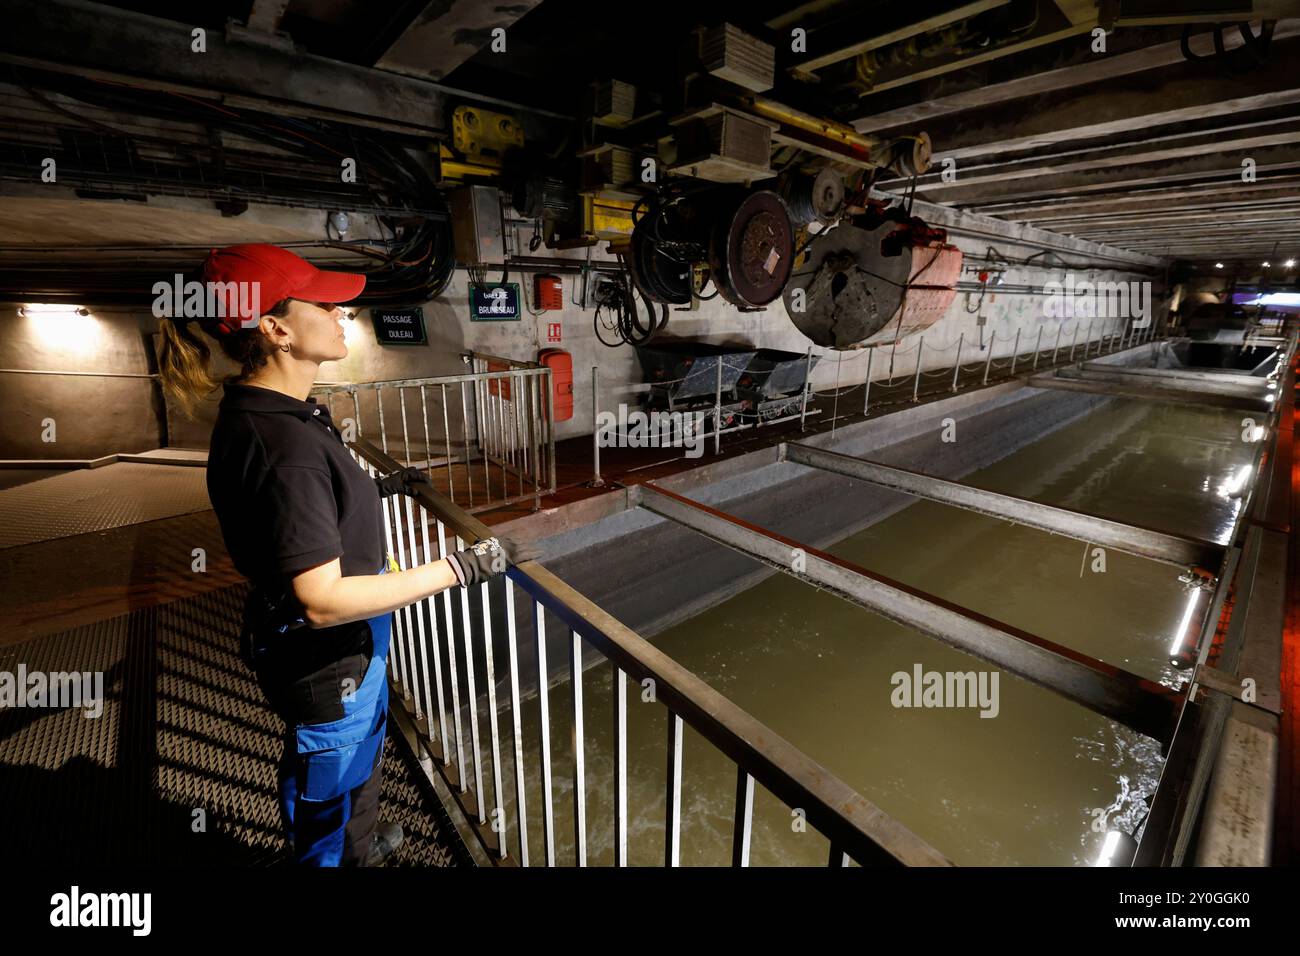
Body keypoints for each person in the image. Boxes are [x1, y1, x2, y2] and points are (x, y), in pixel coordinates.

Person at [157, 243, 532, 866]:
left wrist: (381, 487)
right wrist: (460, 568)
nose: (340, 315)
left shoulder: (276, 414)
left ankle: (358, 841)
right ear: (275, 329)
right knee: (324, 798)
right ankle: (336, 856)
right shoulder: (284, 445)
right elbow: (323, 600)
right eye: (323, 305)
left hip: (338, 656)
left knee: (349, 763)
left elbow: (304, 515)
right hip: (329, 662)